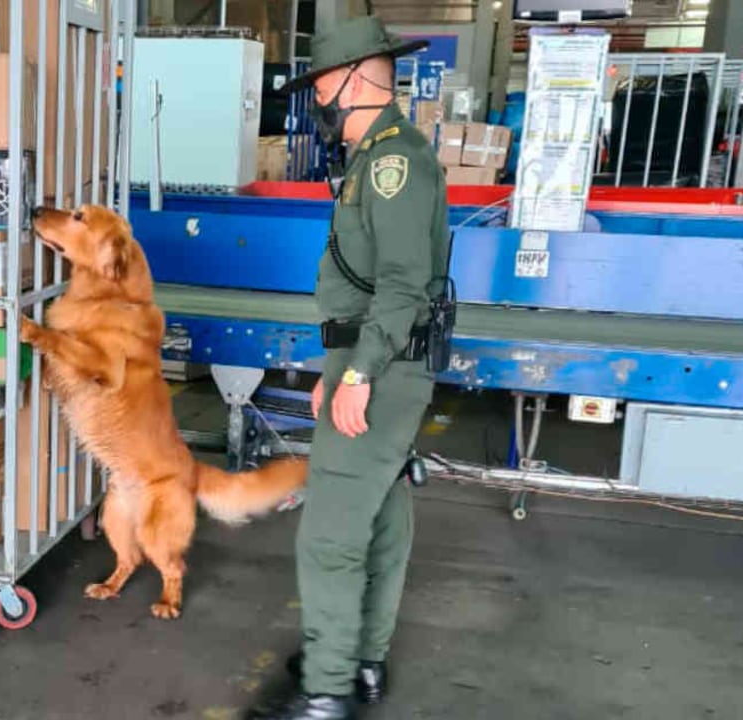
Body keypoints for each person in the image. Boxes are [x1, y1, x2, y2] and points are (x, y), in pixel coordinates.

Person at [247, 15, 451, 720]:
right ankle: (360, 662)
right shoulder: (377, 157)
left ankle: (327, 689)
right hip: (372, 361)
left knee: (330, 530)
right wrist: (339, 372)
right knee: (382, 511)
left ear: (359, 77)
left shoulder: (394, 163)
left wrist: (358, 376)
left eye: (325, 81)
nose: (319, 96)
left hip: (383, 368)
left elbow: (402, 284)